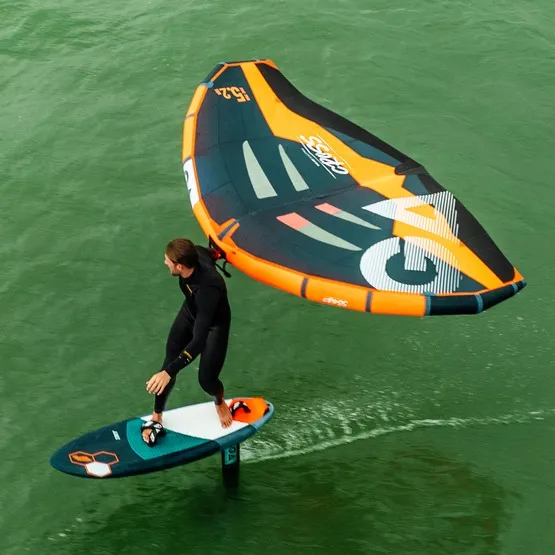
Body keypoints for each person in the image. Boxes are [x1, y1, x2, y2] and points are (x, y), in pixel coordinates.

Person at [142, 238, 233, 446]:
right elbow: (209, 253)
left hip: (213, 325)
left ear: (180, 266)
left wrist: (168, 373)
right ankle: (157, 416)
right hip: (191, 312)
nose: (165, 262)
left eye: (168, 260)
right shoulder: (195, 253)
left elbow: (198, 342)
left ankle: (219, 401)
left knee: (206, 379)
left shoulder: (208, 289)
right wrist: (219, 253)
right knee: (169, 361)